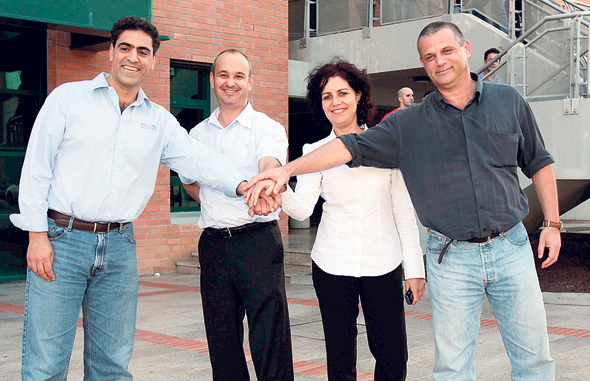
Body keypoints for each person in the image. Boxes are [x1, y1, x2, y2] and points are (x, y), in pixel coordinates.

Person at [246, 21, 561, 380]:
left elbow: (538, 161)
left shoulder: (508, 101)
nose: (439, 61)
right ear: (422, 64)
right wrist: (285, 173)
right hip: (444, 256)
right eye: (429, 56)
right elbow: (348, 148)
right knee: (451, 367)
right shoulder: (408, 124)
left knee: (533, 359)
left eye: (447, 51)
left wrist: (552, 222)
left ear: (467, 49)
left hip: (508, 247)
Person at [10, 16, 270, 380]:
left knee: (112, 365)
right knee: (46, 364)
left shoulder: (158, 121)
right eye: (126, 48)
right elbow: (36, 170)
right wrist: (36, 235)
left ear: (152, 60)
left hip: (119, 247)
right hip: (61, 243)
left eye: (143, 51)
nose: (133, 57)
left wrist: (245, 185)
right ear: (112, 53)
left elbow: (200, 159)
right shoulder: (67, 99)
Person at [280, 59, 425, 380]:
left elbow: (404, 213)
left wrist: (415, 269)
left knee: (392, 355)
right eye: (327, 96)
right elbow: (302, 209)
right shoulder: (314, 150)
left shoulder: (387, 144)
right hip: (331, 265)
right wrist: (277, 188)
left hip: (384, 264)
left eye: (342, 93)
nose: (336, 102)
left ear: (359, 95)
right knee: (340, 355)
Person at [180, 49, 293, 380]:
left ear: (251, 82)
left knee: (269, 337)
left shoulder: (266, 128)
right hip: (213, 246)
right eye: (224, 75)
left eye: (239, 76)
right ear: (213, 80)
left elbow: (270, 165)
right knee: (221, 340)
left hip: (257, 242)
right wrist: (217, 205)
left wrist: (264, 186)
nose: (231, 83)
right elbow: (189, 182)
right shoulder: (197, 134)